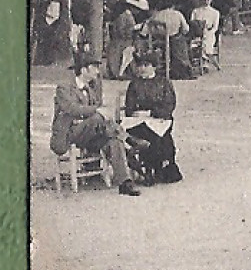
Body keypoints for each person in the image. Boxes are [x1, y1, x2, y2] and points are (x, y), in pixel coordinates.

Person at [52, 52, 141, 197]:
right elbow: (71, 109)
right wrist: (97, 111)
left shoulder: (90, 90)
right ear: (83, 69)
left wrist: (98, 112)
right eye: (94, 68)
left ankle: (125, 183)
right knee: (97, 117)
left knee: (113, 140)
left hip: (89, 133)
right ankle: (129, 141)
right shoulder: (64, 88)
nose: (97, 71)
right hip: (70, 133)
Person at [122, 52, 182, 184]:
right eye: (140, 65)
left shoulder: (164, 83)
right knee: (155, 135)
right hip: (138, 123)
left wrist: (151, 113)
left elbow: (169, 105)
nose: (142, 69)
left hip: (159, 119)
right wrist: (138, 113)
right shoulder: (134, 84)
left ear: (154, 67)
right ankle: (155, 168)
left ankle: (156, 168)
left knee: (160, 134)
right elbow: (129, 107)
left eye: (146, 65)